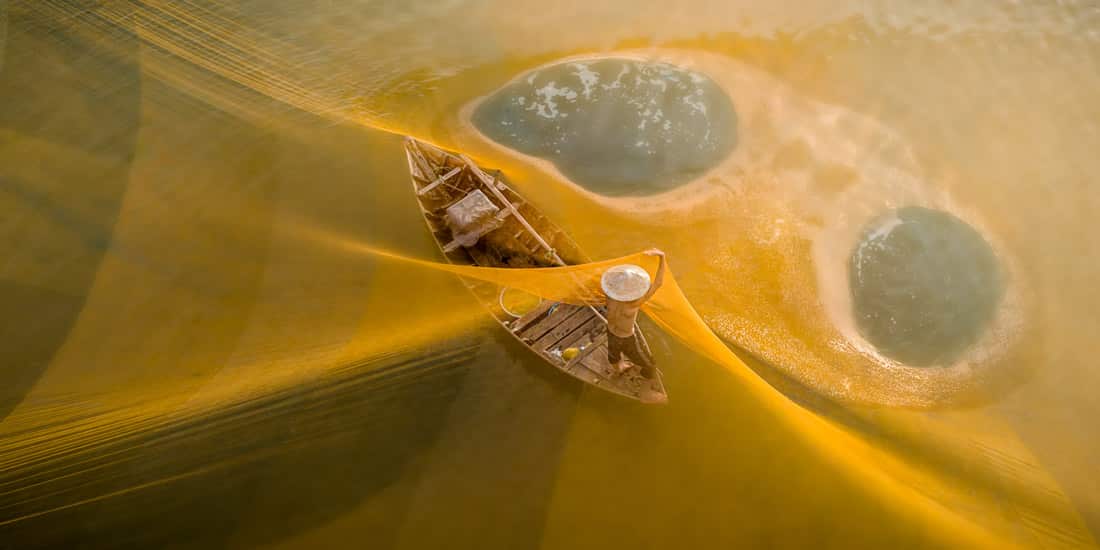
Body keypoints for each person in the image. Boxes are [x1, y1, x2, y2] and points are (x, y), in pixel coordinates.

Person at [605, 249, 665, 378]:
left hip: (611, 332)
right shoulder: (633, 303)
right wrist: (662, 257)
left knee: (613, 356)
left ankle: (619, 369)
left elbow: (609, 275)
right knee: (650, 365)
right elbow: (658, 283)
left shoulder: (609, 295)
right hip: (625, 338)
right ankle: (627, 372)